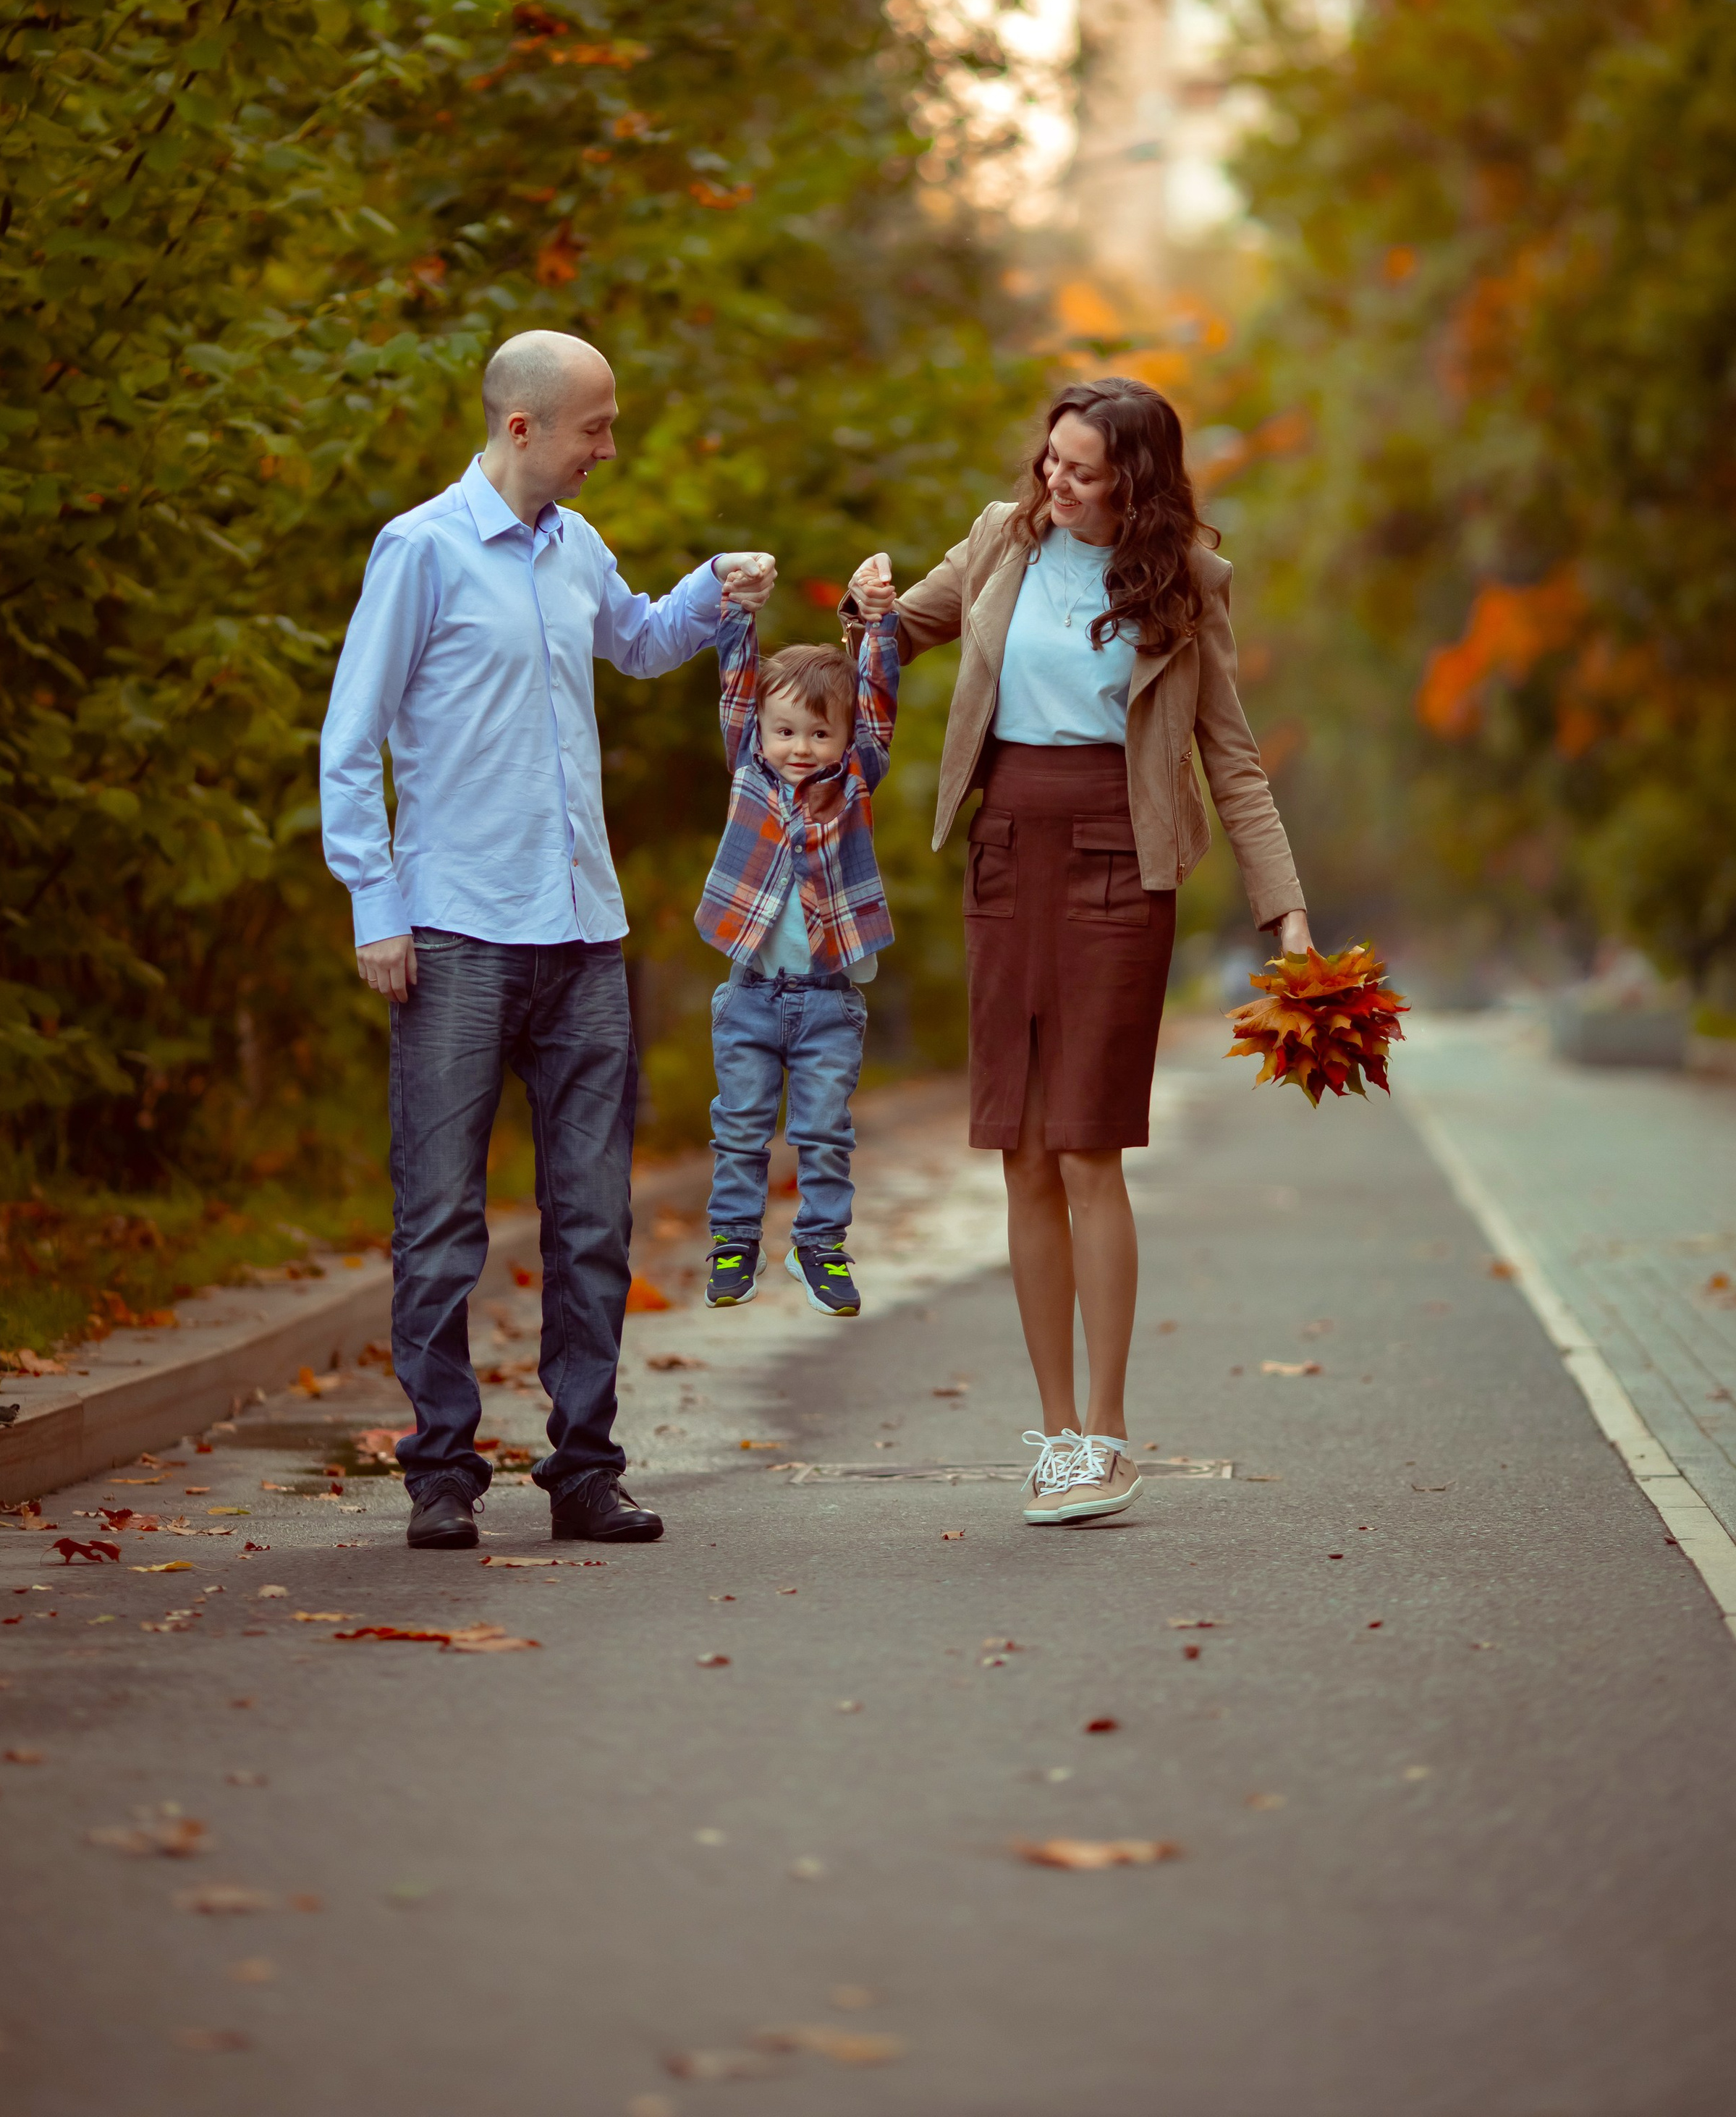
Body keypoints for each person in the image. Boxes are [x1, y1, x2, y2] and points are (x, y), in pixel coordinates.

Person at [318, 329, 776, 1552]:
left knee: (593, 1221)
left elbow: (633, 642)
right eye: (595, 427)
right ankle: (440, 1473)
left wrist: (715, 593)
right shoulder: (421, 551)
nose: (608, 447)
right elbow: (348, 738)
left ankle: (585, 1470)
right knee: (441, 1218)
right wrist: (376, 905)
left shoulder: (578, 550)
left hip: (583, 933)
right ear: (522, 427)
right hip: (456, 930)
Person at [848, 376, 1308, 1529]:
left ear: (1137, 482)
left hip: (1118, 857)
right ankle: (1053, 1435)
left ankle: (1108, 1434)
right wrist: (862, 615)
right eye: (1050, 460)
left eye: (1083, 470)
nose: (1055, 483)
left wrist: (1285, 912)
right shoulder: (1004, 539)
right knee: (1021, 1150)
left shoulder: (1191, 585)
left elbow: (1233, 760)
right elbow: (895, 642)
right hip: (1006, 850)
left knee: (1088, 1145)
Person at [693, 559, 900, 1317]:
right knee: (741, 1127)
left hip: (826, 1003)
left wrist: (878, 620)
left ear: (844, 738)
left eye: (819, 732)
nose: (801, 747)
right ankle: (734, 1241)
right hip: (748, 996)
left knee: (823, 1131)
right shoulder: (749, 768)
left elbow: (877, 702)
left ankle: (820, 1246)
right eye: (786, 731)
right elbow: (738, 684)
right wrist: (740, 609)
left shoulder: (854, 779)